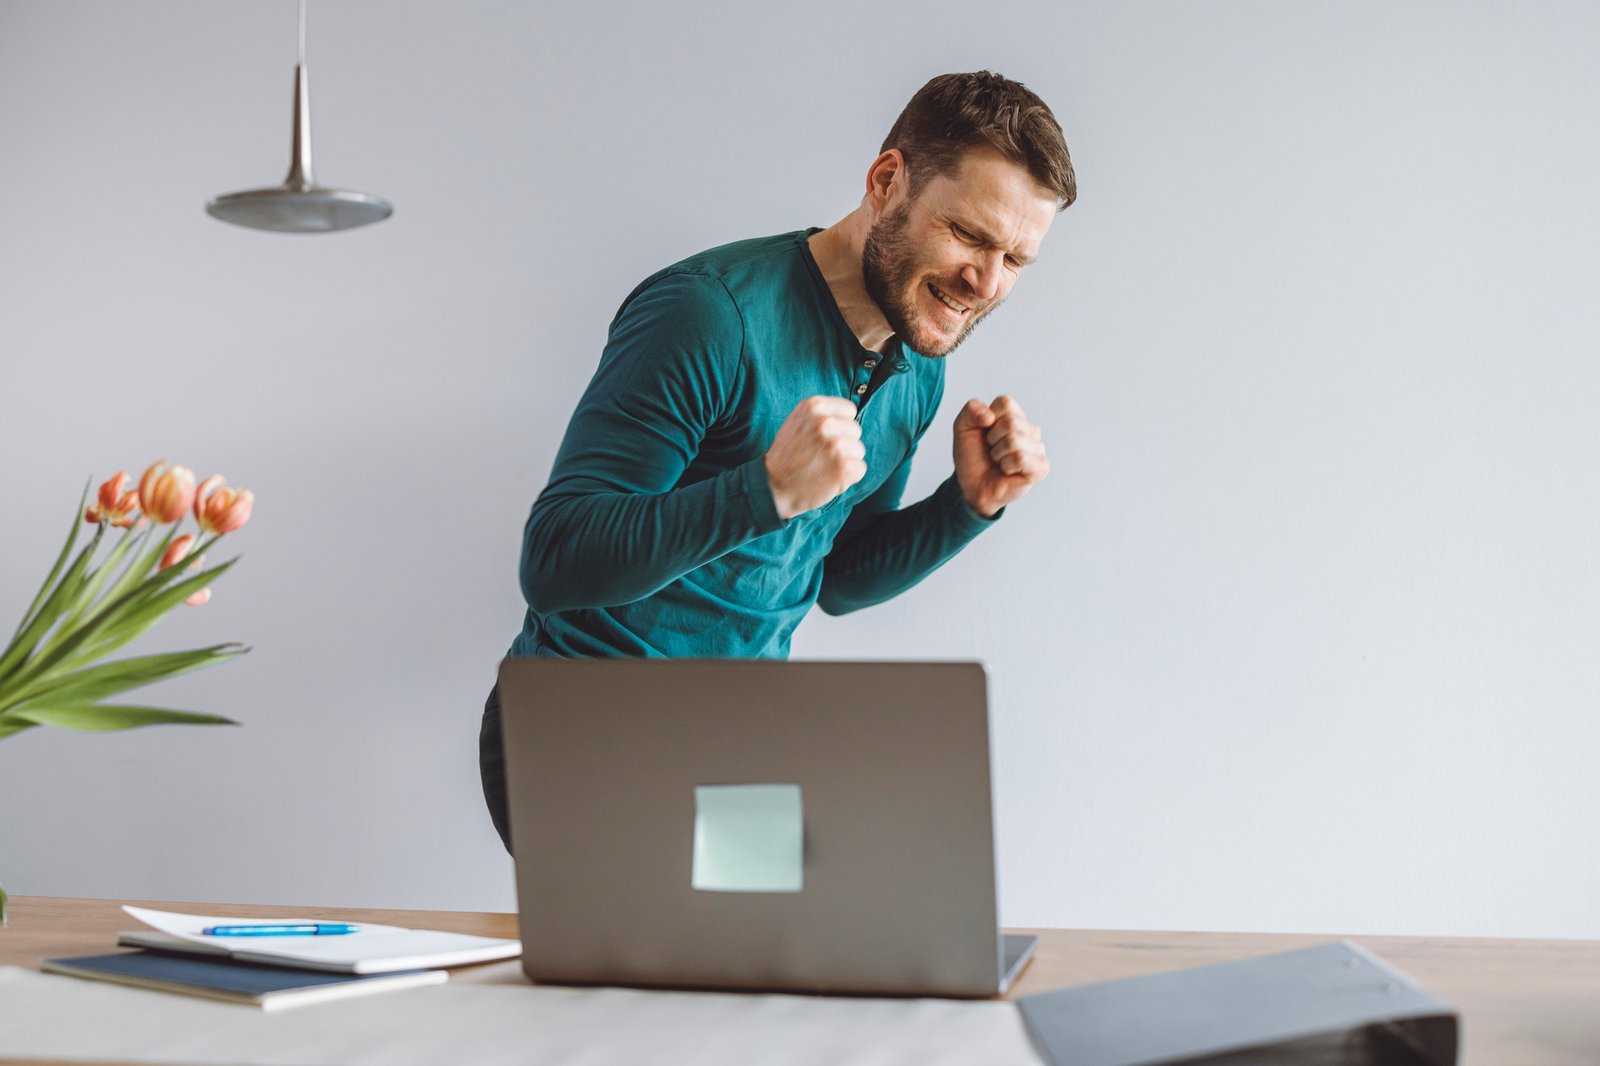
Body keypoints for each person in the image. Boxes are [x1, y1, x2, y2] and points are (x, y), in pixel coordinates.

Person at [481, 70, 1076, 851]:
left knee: (811, 955)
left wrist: (966, 506)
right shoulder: (707, 313)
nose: (985, 282)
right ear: (887, 181)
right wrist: (762, 492)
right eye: (968, 235)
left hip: (741, 742)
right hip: (583, 731)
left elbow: (835, 581)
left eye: (1016, 260)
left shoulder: (916, 361)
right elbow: (555, 563)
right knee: (665, 969)